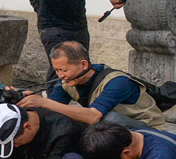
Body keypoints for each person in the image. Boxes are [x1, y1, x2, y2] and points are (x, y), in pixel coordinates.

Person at [18, 41, 165, 129]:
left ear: (83, 64)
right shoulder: (67, 81)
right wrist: (23, 101)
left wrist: (44, 102)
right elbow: (51, 111)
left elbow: (93, 117)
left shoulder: (117, 82)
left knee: (108, 119)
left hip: (149, 131)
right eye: (56, 70)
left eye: (63, 70)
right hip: (115, 131)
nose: (60, 75)